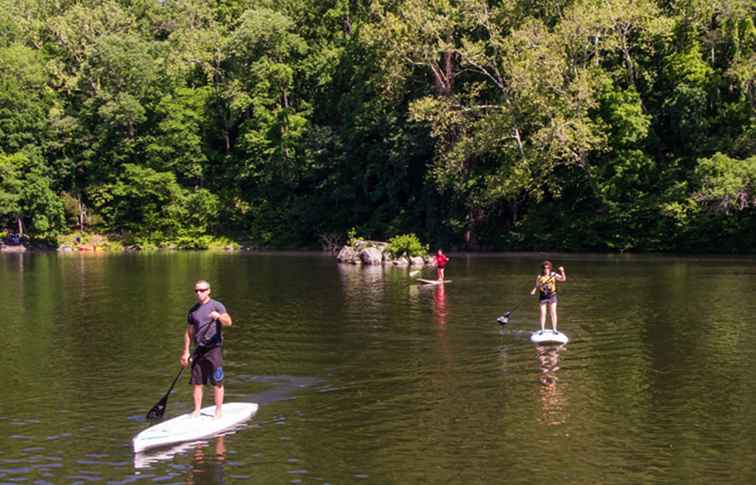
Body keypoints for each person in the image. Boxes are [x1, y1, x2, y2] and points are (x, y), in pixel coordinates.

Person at [180, 280, 233, 419]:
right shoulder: (193, 311)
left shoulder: (217, 305)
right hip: (199, 349)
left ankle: (218, 411)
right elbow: (189, 332)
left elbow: (228, 322)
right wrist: (186, 352)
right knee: (197, 383)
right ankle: (197, 411)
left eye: (202, 290)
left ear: (209, 291)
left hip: (214, 349)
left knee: (217, 381)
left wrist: (219, 316)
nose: (199, 293)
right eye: (196, 290)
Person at [530, 261, 566, 334]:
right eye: (544, 268)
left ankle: (554, 329)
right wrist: (533, 290)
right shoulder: (539, 276)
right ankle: (542, 330)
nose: (546, 269)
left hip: (552, 296)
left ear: (550, 268)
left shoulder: (553, 274)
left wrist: (562, 271)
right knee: (543, 313)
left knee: (553, 312)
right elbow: (537, 285)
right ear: (542, 268)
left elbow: (563, 279)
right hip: (543, 296)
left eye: (548, 268)